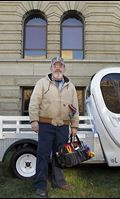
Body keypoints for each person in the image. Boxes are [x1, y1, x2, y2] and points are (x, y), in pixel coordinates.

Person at [29, 56, 79, 198]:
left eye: (60, 65)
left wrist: (74, 125)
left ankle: (59, 182)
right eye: (55, 65)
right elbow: (34, 103)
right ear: (51, 68)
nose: (58, 68)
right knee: (43, 155)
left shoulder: (71, 86)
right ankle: (40, 186)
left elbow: (75, 108)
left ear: (64, 68)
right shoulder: (42, 83)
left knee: (60, 156)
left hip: (63, 126)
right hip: (46, 125)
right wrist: (34, 120)